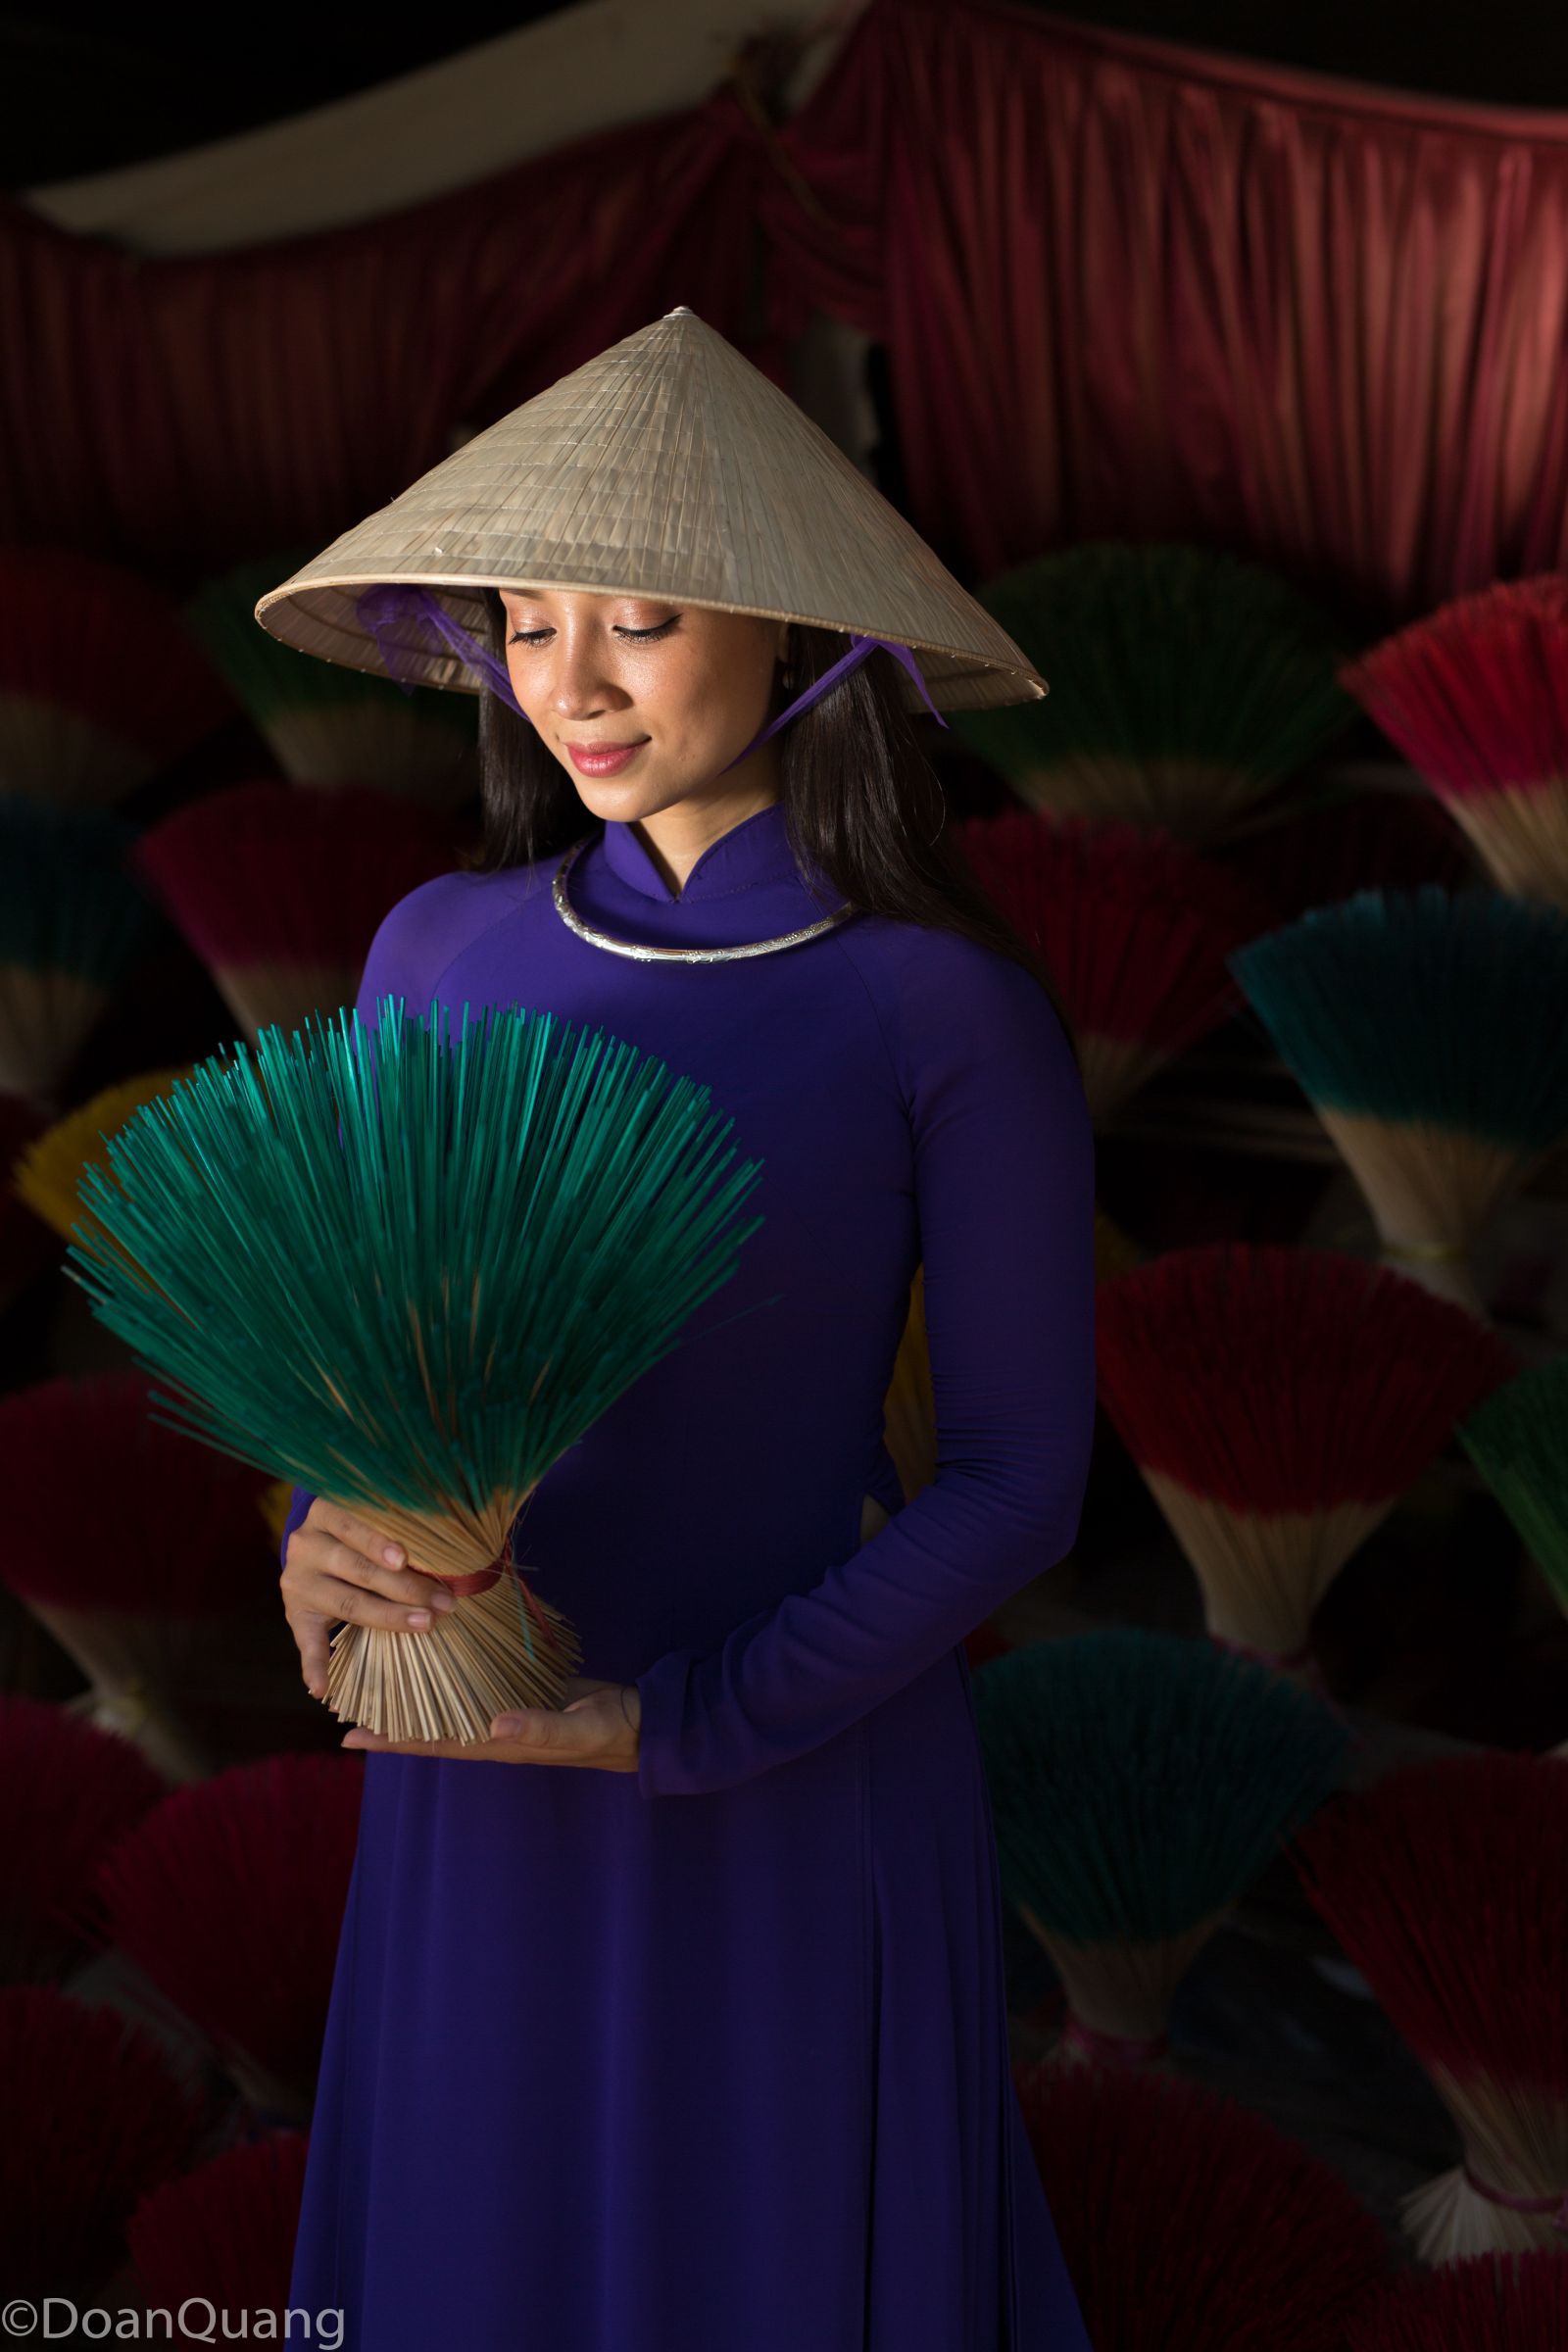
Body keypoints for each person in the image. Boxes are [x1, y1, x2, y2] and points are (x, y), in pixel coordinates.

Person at [262, 307, 1098, 2350]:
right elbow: (353, 1358)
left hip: (786, 1769)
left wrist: (684, 1719)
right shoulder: (436, 948)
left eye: (636, 619)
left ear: (801, 636)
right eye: (526, 624)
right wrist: (321, 1540)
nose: (570, 684)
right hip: (478, 1747)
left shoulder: (939, 1006)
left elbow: (1016, 1482)